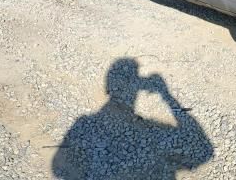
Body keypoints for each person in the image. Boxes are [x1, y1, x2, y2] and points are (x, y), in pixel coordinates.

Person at [52, 58, 213, 180]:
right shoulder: (85, 122)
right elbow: (205, 151)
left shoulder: (84, 123)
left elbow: (57, 168)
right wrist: (166, 95)